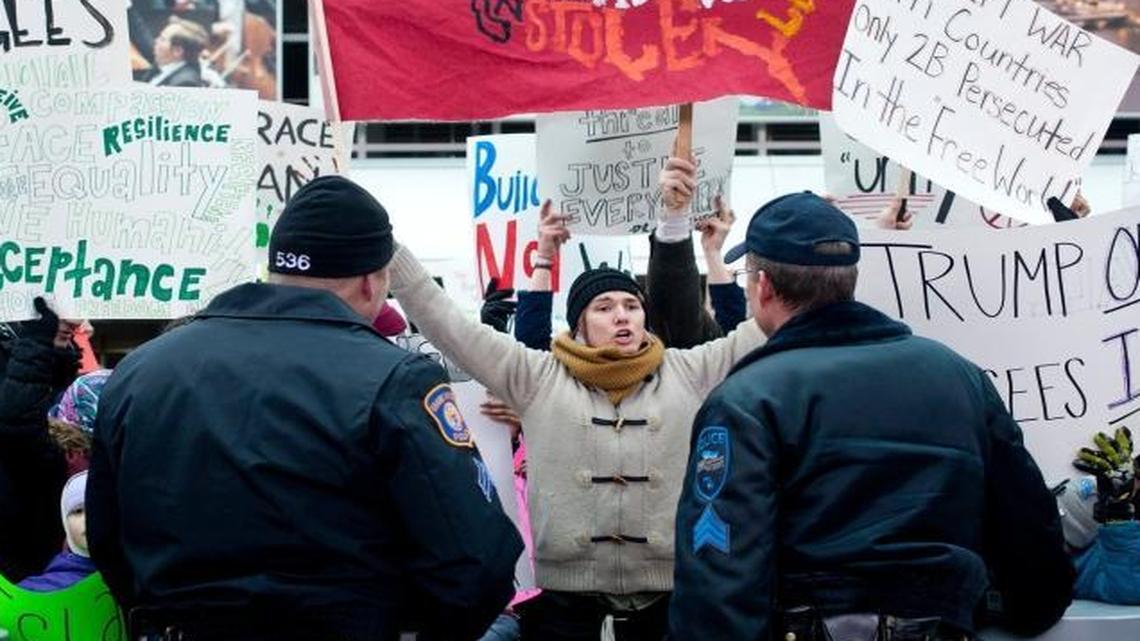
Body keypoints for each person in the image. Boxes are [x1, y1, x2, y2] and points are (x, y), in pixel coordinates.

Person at [86, 176, 522, 641]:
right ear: (373, 282)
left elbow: (107, 539)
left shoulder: (142, 370)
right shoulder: (394, 379)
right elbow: (474, 563)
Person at [668, 192, 1074, 641]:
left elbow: (720, 574)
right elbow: (1029, 530)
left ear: (762, 286)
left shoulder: (747, 399)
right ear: (848, 281)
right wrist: (1027, 610)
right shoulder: (960, 377)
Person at [385, 193, 765, 641]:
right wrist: (384, 246)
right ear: (578, 325)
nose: (622, 315)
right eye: (604, 308)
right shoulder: (538, 376)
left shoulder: (687, 370)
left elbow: (760, 332)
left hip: (670, 603)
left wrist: (785, 250)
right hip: (564, 610)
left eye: (631, 304)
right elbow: (447, 323)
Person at [0, 299, 80, 582]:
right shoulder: (21, 357)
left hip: (46, 534)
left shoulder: (60, 366)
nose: (78, 321)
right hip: (17, 545)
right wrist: (37, 341)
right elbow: (19, 428)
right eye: (51, 306)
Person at [18, 471, 97, 591]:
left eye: (96, 509)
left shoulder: (133, 580)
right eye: (78, 511)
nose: (88, 519)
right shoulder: (32, 592)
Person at [147, 17, 208, 87]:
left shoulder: (184, 83)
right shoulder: (160, 65)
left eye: (162, 39)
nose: (156, 41)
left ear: (178, 51)